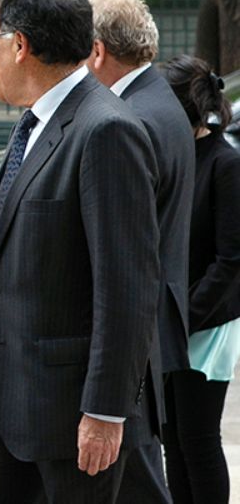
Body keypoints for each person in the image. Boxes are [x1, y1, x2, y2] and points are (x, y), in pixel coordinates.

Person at [0, 0, 162, 502]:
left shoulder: (104, 130)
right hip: (3, 408)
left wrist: (104, 411)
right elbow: (12, 276)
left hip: (69, 423)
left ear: (20, 45)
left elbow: (128, 288)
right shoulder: (33, 123)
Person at [88, 0, 194, 503]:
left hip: (139, 329)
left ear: (98, 50)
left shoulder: (130, 118)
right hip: (156, 320)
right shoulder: (154, 99)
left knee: (138, 476)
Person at [161, 55, 240, 504]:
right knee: (173, 441)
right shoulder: (177, 157)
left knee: (199, 439)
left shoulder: (225, 164)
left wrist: (185, 315)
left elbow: (231, 261)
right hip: (174, 319)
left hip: (207, 323)